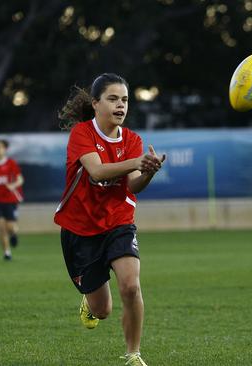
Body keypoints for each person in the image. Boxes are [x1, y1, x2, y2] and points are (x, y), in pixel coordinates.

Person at [54, 73, 165, 366]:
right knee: (102, 310)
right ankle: (90, 304)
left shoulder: (131, 139)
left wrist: (148, 172)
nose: (120, 105)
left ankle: (133, 354)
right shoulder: (81, 133)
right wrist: (138, 162)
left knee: (130, 285)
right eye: (113, 99)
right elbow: (98, 172)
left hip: (119, 221)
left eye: (125, 100)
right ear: (95, 103)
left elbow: (131, 185)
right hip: (81, 229)